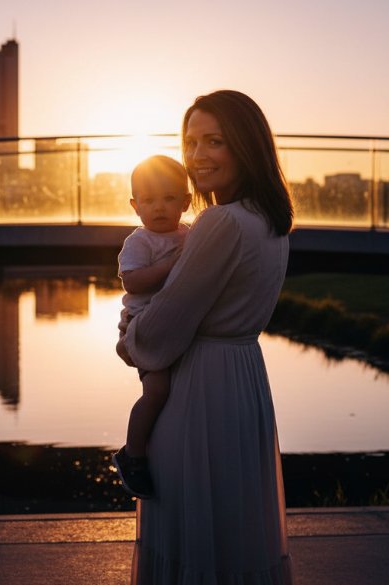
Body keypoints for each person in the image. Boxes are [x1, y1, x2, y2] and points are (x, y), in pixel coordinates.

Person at [116, 90, 295, 584]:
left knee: (189, 524)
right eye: (191, 141)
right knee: (233, 524)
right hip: (242, 381)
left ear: (245, 145)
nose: (197, 155)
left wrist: (130, 339)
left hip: (198, 388)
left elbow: (161, 332)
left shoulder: (219, 223)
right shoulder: (269, 220)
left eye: (214, 141)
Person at [112, 155, 192, 499]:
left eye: (169, 198)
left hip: (174, 325)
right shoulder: (139, 243)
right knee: (156, 390)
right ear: (135, 205)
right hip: (142, 326)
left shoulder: (191, 235)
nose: (159, 207)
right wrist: (172, 265)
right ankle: (133, 453)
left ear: (186, 202)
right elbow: (132, 282)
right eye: (148, 200)